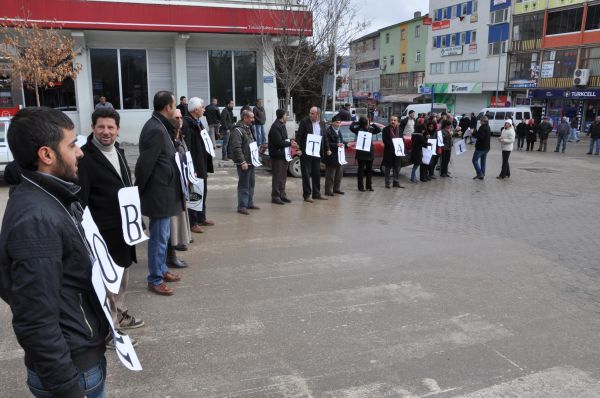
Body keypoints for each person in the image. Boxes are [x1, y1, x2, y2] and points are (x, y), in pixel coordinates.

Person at [0, 107, 108, 397]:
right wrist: (67, 388)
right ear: (46, 155)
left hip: (80, 356)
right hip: (73, 371)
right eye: (72, 145)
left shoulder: (50, 197)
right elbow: (34, 319)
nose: (81, 152)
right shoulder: (36, 220)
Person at [78, 107, 144, 344]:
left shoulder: (119, 151)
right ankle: (110, 331)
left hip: (124, 230)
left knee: (122, 277)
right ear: (93, 128)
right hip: (103, 234)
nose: (106, 132)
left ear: (117, 129)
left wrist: (136, 220)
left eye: (110, 127)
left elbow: (126, 187)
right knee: (107, 283)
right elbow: (82, 201)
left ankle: (118, 311)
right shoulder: (84, 158)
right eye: (101, 127)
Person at [135, 91, 183, 296]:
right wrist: (141, 192)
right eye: (174, 105)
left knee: (163, 235)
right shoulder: (155, 128)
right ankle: (154, 279)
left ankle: (162, 270)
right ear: (168, 108)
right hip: (158, 192)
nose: (177, 109)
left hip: (164, 190)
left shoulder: (160, 124)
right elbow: (145, 164)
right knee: (159, 237)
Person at [183, 97, 215, 234]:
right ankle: (193, 222)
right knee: (195, 193)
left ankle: (201, 217)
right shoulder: (187, 123)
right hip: (195, 165)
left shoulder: (198, 122)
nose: (204, 109)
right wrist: (191, 168)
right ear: (195, 109)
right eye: (202, 107)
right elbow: (187, 147)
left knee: (203, 191)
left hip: (202, 163)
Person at [167, 109, 192, 262]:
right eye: (176, 117)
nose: (179, 120)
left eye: (181, 117)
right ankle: (171, 254)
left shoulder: (180, 136)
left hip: (181, 185)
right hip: (172, 187)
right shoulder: (168, 139)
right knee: (172, 221)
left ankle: (178, 244)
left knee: (181, 217)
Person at [296, 106, 329, 202]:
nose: (310, 115)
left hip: (317, 152)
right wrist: (298, 149)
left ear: (318, 114)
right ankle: (307, 195)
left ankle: (317, 193)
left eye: (312, 113)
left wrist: (327, 149)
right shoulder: (304, 122)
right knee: (306, 174)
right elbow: (299, 136)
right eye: (310, 113)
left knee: (316, 173)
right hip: (306, 152)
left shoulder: (322, 123)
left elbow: (325, 137)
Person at [230, 110, 259, 215]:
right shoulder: (237, 130)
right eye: (251, 117)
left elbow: (250, 143)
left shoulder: (248, 128)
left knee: (251, 183)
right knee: (244, 185)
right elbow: (236, 148)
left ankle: (249, 203)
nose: (253, 119)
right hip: (244, 163)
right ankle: (242, 206)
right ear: (245, 118)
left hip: (251, 161)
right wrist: (242, 162)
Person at [268, 109, 298, 204]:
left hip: (284, 155)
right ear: (282, 116)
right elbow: (278, 143)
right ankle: (275, 196)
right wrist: (290, 144)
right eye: (286, 115)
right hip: (277, 156)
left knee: (283, 176)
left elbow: (284, 139)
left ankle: (282, 195)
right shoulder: (275, 127)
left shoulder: (282, 125)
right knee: (277, 176)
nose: (287, 117)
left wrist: (290, 141)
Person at [350, 116, 381, 191]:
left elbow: (351, 127)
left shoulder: (369, 129)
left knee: (367, 170)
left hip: (368, 152)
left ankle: (367, 186)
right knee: (364, 170)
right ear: (366, 122)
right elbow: (378, 129)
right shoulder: (360, 129)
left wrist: (356, 122)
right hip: (362, 153)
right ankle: (363, 187)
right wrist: (372, 124)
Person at [323, 114, 346, 195]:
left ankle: (337, 189)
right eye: (337, 122)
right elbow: (326, 144)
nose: (338, 124)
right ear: (332, 123)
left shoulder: (338, 131)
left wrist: (345, 144)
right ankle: (328, 191)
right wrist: (336, 145)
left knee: (339, 174)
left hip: (339, 156)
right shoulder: (328, 131)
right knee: (330, 175)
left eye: (339, 122)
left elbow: (340, 141)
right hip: (331, 156)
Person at [382, 115, 404, 188]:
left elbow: (402, 139)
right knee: (388, 168)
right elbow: (384, 140)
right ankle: (387, 183)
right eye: (391, 120)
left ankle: (396, 182)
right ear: (389, 121)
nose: (393, 121)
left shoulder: (400, 129)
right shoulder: (385, 129)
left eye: (394, 120)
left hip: (398, 152)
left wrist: (401, 144)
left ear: (397, 122)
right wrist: (394, 144)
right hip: (389, 151)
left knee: (397, 167)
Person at [472, 115, 491, 180]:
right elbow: (481, 135)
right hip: (486, 148)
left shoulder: (482, 127)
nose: (480, 122)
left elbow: (479, 136)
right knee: (483, 161)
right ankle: (482, 174)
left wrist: (473, 133)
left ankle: (480, 173)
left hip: (481, 148)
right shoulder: (488, 127)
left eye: (480, 120)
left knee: (474, 160)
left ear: (483, 121)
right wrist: (476, 131)